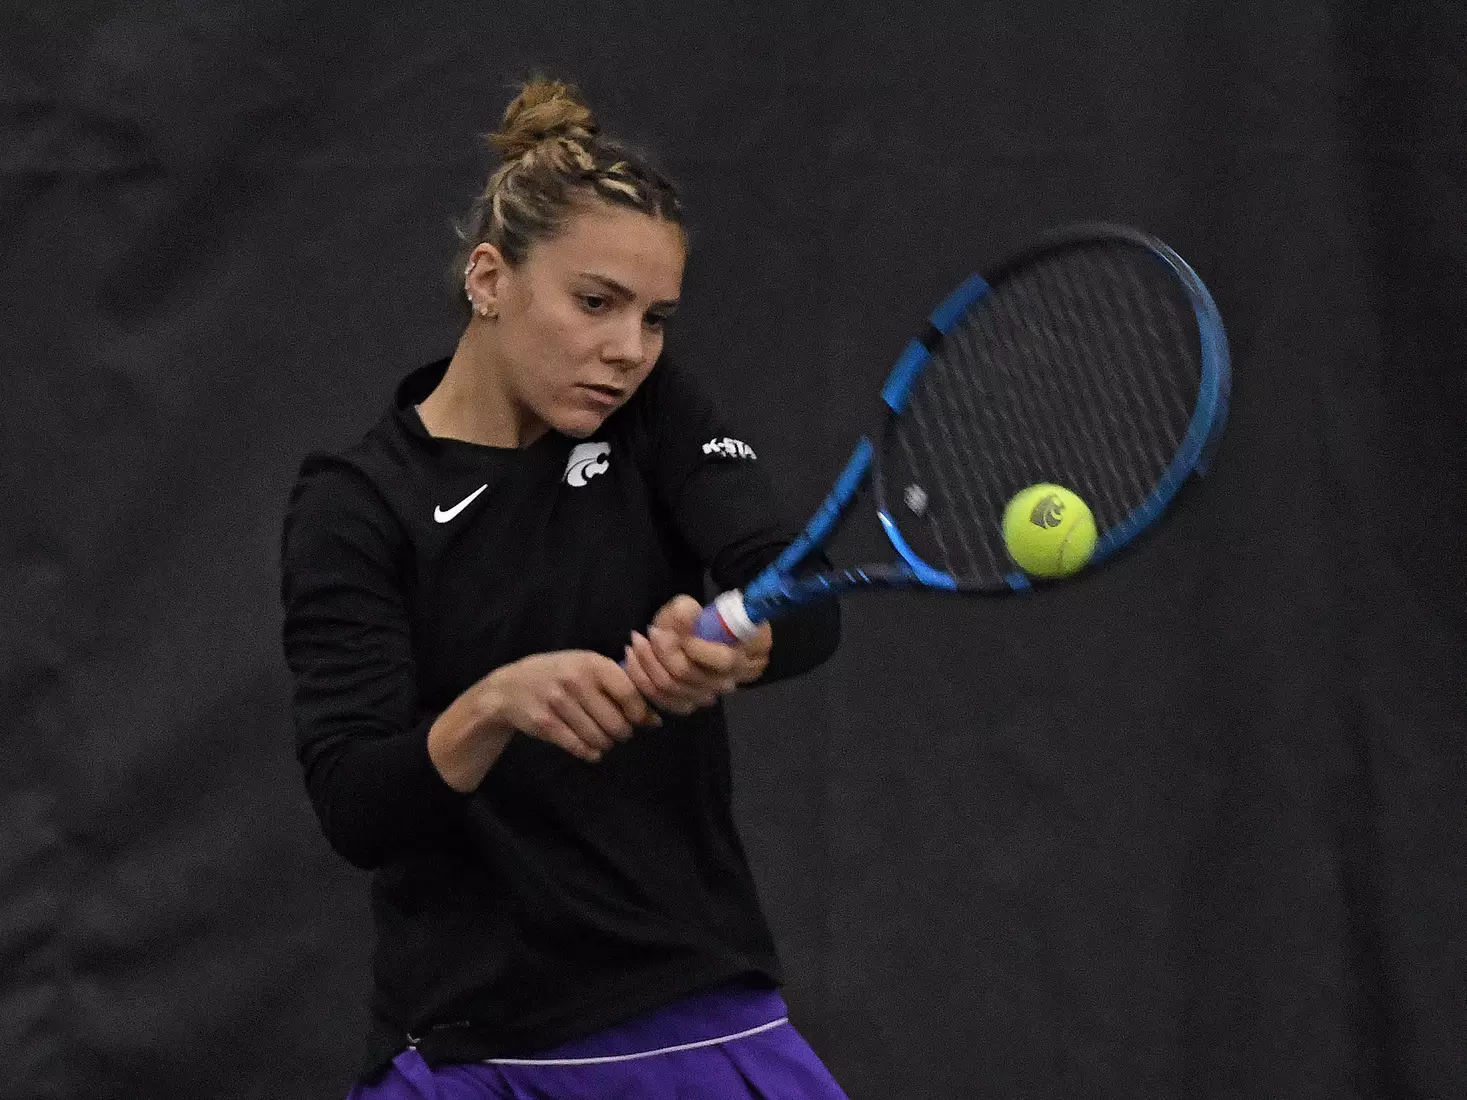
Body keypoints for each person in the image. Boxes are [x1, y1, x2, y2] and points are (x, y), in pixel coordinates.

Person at [279, 76, 846, 1099]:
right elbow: (357, 806)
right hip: (470, 1045)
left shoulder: (655, 414)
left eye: (654, 318)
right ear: (489, 278)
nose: (628, 350)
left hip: (689, 1007)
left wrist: (737, 642)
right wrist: (493, 706)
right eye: (595, 303)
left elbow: (800, 590)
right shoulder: (358, 503)